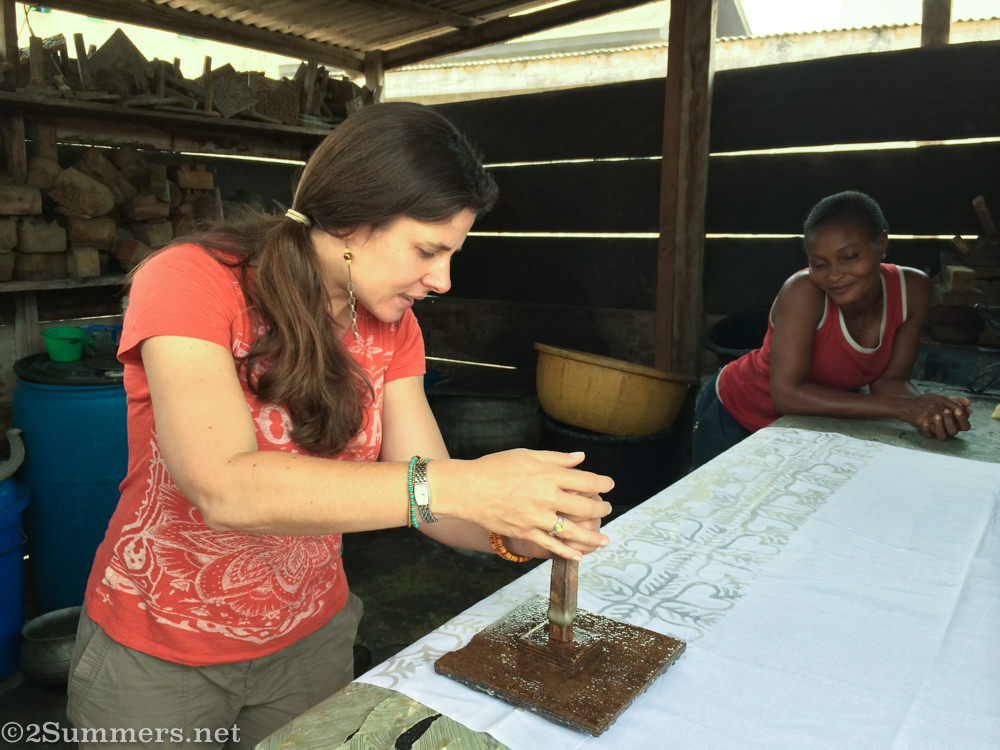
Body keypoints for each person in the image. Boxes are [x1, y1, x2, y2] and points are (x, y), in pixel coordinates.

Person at [66, 102, 613, 749]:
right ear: (353, 219)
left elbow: (429, 498)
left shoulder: (393, 326)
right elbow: (224, 487)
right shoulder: (193, 281)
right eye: (428, 250)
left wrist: (516, 528)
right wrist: (467, 486)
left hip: (311, 642)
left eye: (451, 254)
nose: (442, 280)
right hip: (158, 652)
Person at [690, 189, 971, 469]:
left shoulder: (912, 290)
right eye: (820, 264)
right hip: (736, 416)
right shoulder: (803, 292)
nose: (835, 275)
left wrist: (934, 411)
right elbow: (786, 396)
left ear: (881, 243)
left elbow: (891, 381)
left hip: (808, 426)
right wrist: (903, 407)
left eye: (849, 257)